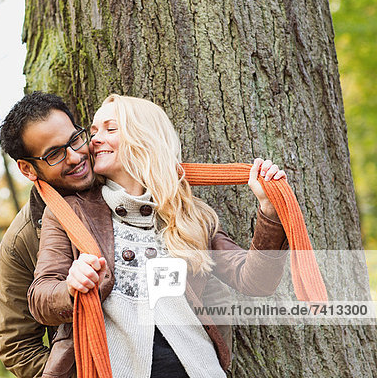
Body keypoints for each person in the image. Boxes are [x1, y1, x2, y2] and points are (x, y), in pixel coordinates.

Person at [28, 94, 289, 378]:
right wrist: (70, 286)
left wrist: (269, 210)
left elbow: (255, 280)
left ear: (144, 137)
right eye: (93, 132)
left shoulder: (192, 215)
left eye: (110, 129)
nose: (94, 141)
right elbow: (40, 298)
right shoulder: (70, 212)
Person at [0, 92, 96, 377]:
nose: (75, 157)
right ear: (27, 168)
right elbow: (17, 346)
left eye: (75, 139)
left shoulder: (123, 176)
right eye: (54, 154)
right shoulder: (21, 242)